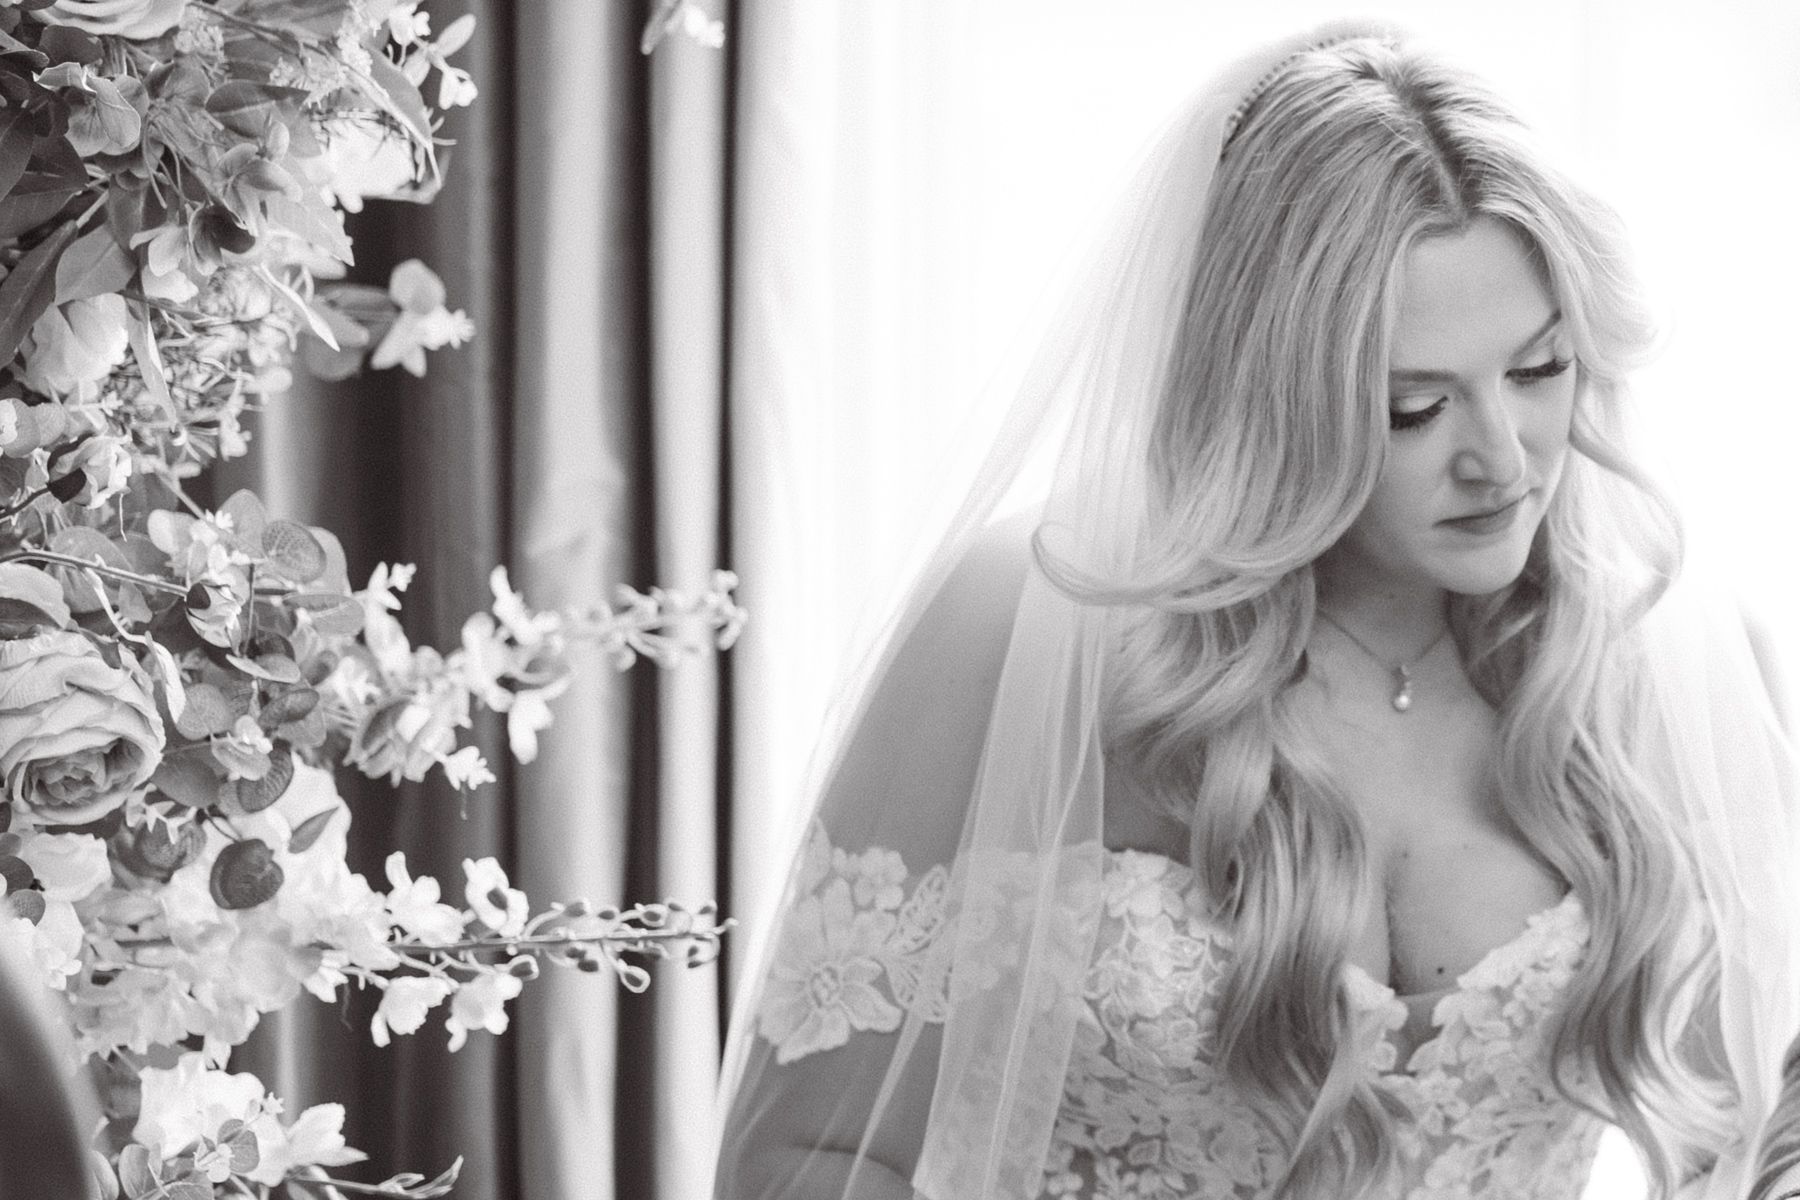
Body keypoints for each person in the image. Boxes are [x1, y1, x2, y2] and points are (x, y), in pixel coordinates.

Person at [712, 20, 1800, 1200]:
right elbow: (802, 1157)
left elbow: (1742, 1140)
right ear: (1272, 404)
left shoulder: (1660, 647)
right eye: (1414, 407)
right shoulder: (1034, 624)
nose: (1506, 460)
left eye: (1539, 371)